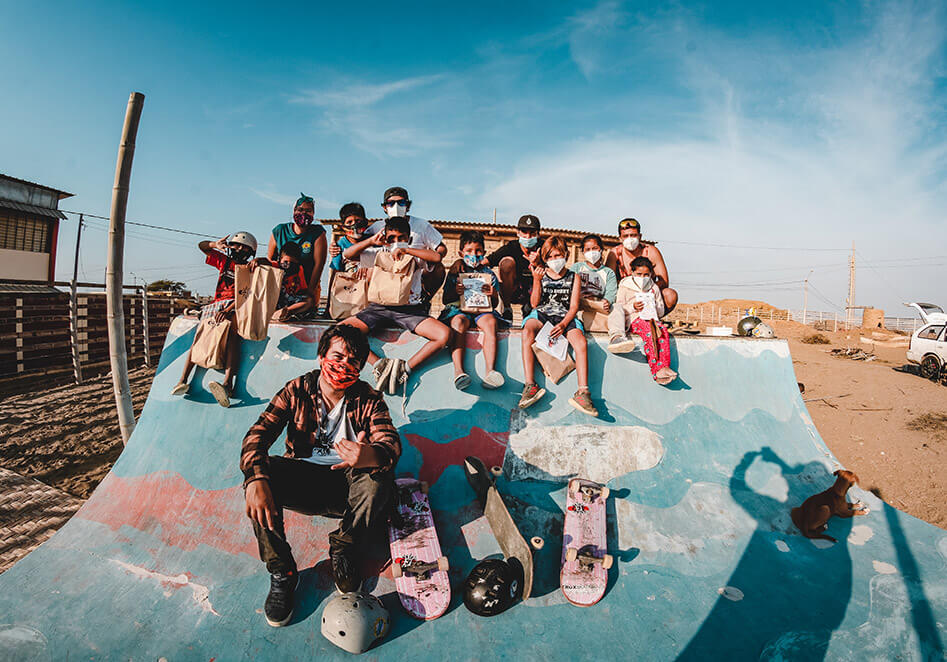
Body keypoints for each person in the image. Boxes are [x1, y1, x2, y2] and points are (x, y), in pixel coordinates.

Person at [240, 324, 401, 627]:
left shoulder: (368, 398)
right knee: (259, 475)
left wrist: (369, 455)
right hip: (306, 481)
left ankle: (345, 546)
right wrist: (256, 480)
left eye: (353, 362)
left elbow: (390, 441)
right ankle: (282, 570)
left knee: (379, 478)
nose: (343, 366)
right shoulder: (296, 389)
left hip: (349, 489)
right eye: (337, 357)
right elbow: (256, 437)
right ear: (321, 356)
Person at [340, 216, 451, 394]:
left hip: (410, 311)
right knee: (340, 331)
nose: (396, 242)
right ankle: (379, 364)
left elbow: (437, 257)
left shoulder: (414, 256)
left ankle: (404, 370)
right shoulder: (379, 253)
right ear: (385, 238)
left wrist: (407, 250)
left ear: (409, 238)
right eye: (392, 238)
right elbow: (347, 254)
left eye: (401, 238)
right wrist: (371, 241)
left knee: (444, 335)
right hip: (378, 308)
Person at [171, 232, 257, 407]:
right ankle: (183, 380)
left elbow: (246, 295)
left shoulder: (250, 269)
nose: (238, 249)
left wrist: (227, 310)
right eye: (235, 246)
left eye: (243, 247)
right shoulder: (224, 262)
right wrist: (214, 245)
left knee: (232, 333)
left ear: (250, 251)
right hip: (216, 304)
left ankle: (227, 383)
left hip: (235, 305)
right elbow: (202, 246)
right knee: (199, 337)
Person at [519, 236, 598, 417]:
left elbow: (574, 307)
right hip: (543, 314)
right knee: (528, 330)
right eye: (551, 257)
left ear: (566, 255)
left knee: (580, 343)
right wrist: (536, 280)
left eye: (558, 255)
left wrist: (563, 325)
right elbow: (534, 303)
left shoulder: (574, 277)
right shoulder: (541, 273)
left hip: (565, 316)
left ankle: (583, 392)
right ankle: (530, 385)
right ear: (545, 258)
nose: (555, 260)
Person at [439, 230, 505, 391]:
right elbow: (445, 299)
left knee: (490, 322)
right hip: (460, 310)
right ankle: (459, 371)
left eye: (478, 251)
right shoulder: (456, 272)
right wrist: (456, 291)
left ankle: (490, 371)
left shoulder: (489, 274)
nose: (473, 255)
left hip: (482, 311)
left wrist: (493, 293)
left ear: (484, 253)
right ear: (461, 253)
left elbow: (494, 303)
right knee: (458, 322)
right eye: (469, 251)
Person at [366, 186, 446, 303]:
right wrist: (336, 248)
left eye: (401, 203)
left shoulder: (421, 225)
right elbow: (357, 246)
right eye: (391, 203)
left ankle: (424, 300)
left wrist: (428, 260)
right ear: (384, 207)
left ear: (408, 206)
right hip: (387, 274)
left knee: (438, 268)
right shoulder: (376, 227)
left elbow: (441, 249)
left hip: (414, 271)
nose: (396, 206)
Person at [607, 256, 678, 385]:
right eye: (639, 274)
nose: (642, 277)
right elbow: (619, 307)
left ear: (651, 274)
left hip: (651, 319)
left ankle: (665, 365)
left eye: (646, 274)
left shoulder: (653, 288)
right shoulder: (625, 285)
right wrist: (633, 306)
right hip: (633, 319)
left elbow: (661, 310)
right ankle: (656, 369)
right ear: (632, 272)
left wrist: (653, 306)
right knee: (649, 332)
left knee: (662, 332)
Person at [265, 193, 327, 307]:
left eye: (308, 210)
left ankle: (287, 312)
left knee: (306, 304)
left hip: (306, 288)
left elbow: (319, 265)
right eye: (300, 210)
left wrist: (309, 292)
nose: (304, 213)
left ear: (313, 214)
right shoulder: (279, 231)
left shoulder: (318, 233)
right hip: (280, 289)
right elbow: (270, 262)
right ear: (294, 211)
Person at [605, 218, 678, 314]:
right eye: (626, 236)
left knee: (670, 294)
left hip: (648, 295)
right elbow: (609, 282)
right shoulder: (614, 254)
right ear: (620, 238)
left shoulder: (651, 251)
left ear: (640, 236)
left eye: (633, 235)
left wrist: (646, 292)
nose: (630, 239)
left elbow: (664, 281)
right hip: (624, 296)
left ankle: (652, 320)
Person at [486, 214, 543, 322]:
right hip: (514, 290)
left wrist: (539, 263)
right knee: (506, 262)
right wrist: (461, 262)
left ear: (538, 234)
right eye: (524, 232)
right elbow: (486, 261)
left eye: (532, 233)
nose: (528, 236)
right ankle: (507, 309)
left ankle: (532, 309)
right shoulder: (511, 247)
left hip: (537, 290)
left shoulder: (544, 248)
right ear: (518, 233)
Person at [250, 242, 314, 322]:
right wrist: (257, 260)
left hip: (290, 301)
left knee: (310, 301)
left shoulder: (299, 269)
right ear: (280, 260)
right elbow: (267, 262)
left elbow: (303, 289)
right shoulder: (277, 266)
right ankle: (277, 313)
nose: (289, 265)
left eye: (293, 263)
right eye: (285, 262)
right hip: (276, 300)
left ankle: (286, 312)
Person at [570, 234, 617, 312]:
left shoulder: (608, 272)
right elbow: (569, 286)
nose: (591, 252)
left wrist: (607, 301)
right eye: (587, 249)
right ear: (583, 252)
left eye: (595, 248)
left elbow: (611, 292)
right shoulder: (577, 268)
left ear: (601, 250)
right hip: (580, 303)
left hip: (599, 305)